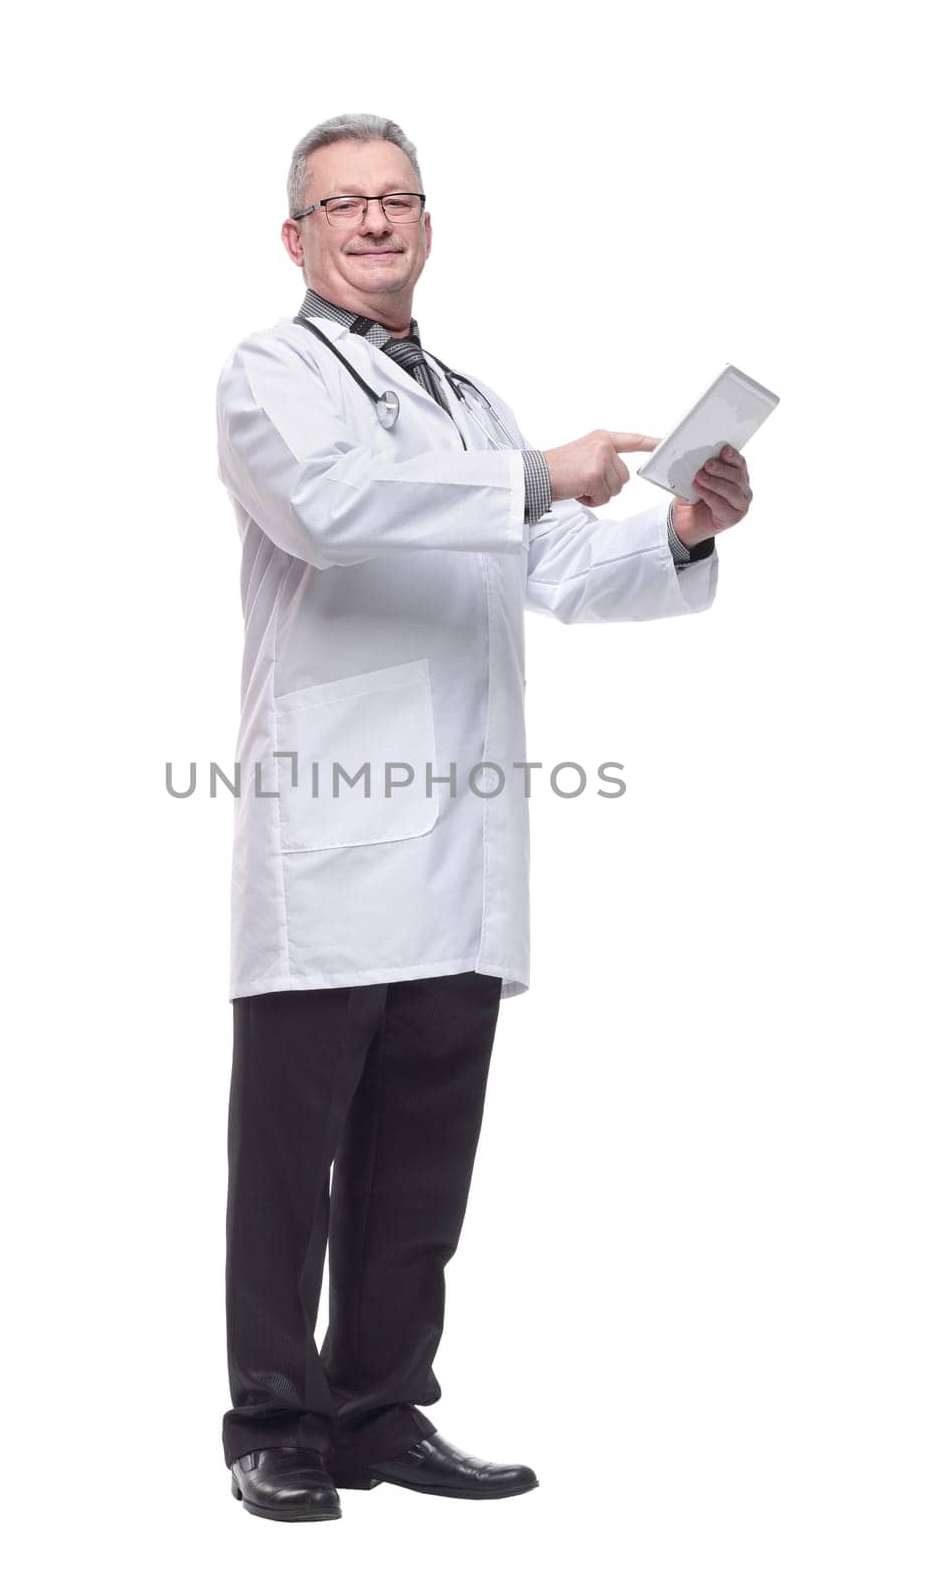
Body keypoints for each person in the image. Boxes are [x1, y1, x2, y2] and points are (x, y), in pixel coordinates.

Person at [215, 112, 752, 1523]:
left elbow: (567, 570)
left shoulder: (471, 400)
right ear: (300, 236)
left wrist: (682, 529)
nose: (376, 223)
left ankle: (381, 1411)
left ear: (429, 224)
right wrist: (533, 473)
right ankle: (273, 1423)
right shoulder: (271, 376)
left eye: (398, 199)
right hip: (329, 841)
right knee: (289, 1160)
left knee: (421, 1151)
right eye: (345, 205)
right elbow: (332, 510)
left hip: (462, 845)